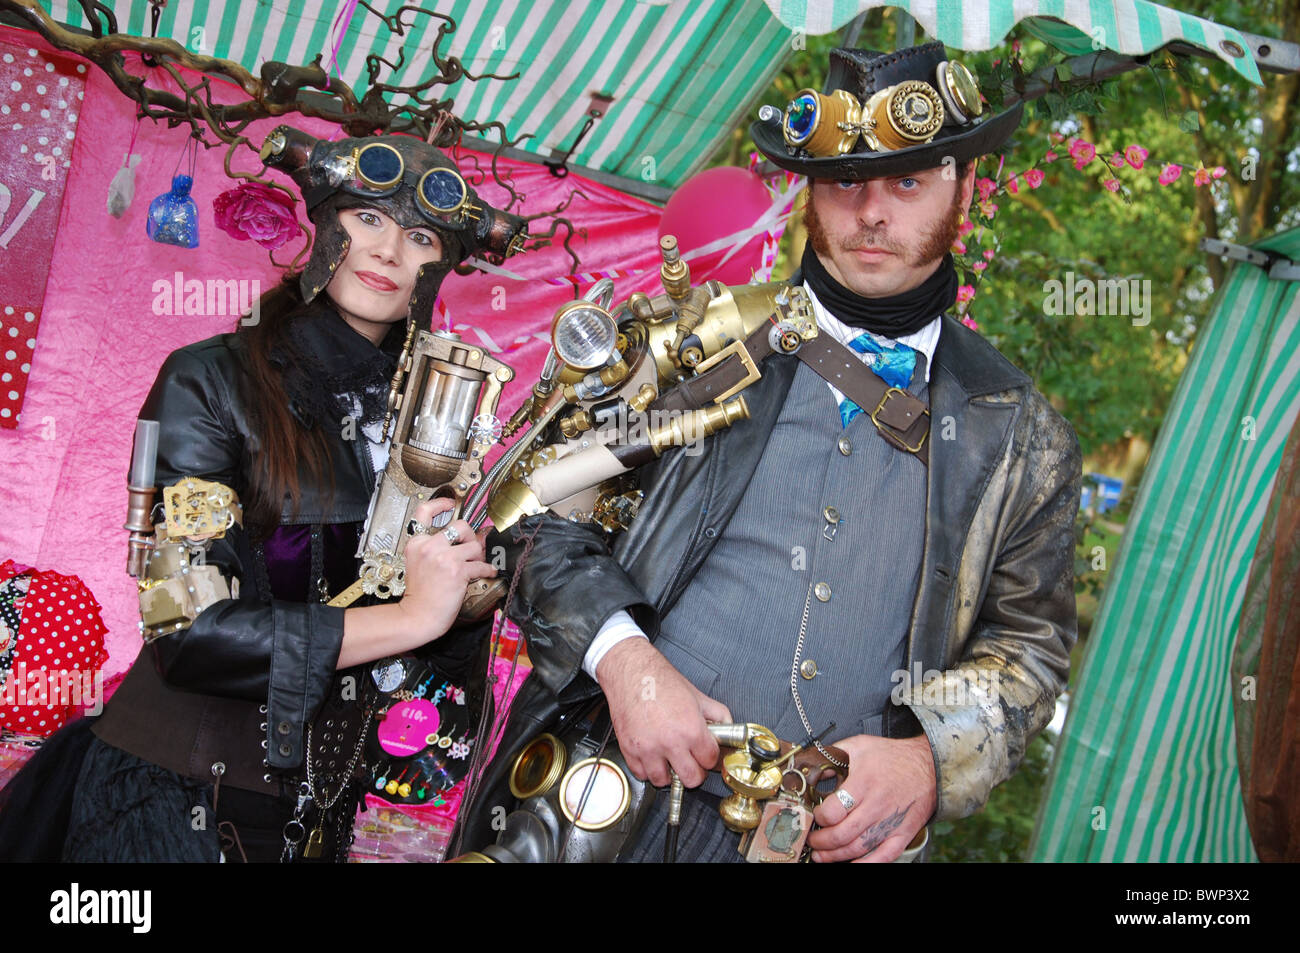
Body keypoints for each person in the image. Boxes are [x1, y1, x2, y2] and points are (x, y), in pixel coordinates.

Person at [458, 42, 1081, 863]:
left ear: (962, 186)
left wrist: (931, 755)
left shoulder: (1022, 434)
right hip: (602, 806)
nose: (872, 213)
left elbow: (1030, 646)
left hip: (834, 842)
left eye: (908, 180)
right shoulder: (687, 342)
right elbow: (534, 513)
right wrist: (623, 659)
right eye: (846, 181)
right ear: (811, 188)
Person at [0, 127, 524, 862]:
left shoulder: (429, 426)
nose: (388, 252)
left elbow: (411, 688)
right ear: (326, 220)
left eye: (420, 237)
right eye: (367, 217)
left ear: (439, 266)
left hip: (316, 821)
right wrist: (412, 615)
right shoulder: (209, 381)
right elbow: (187, 628)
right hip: (172, 800)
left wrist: (457, 593)